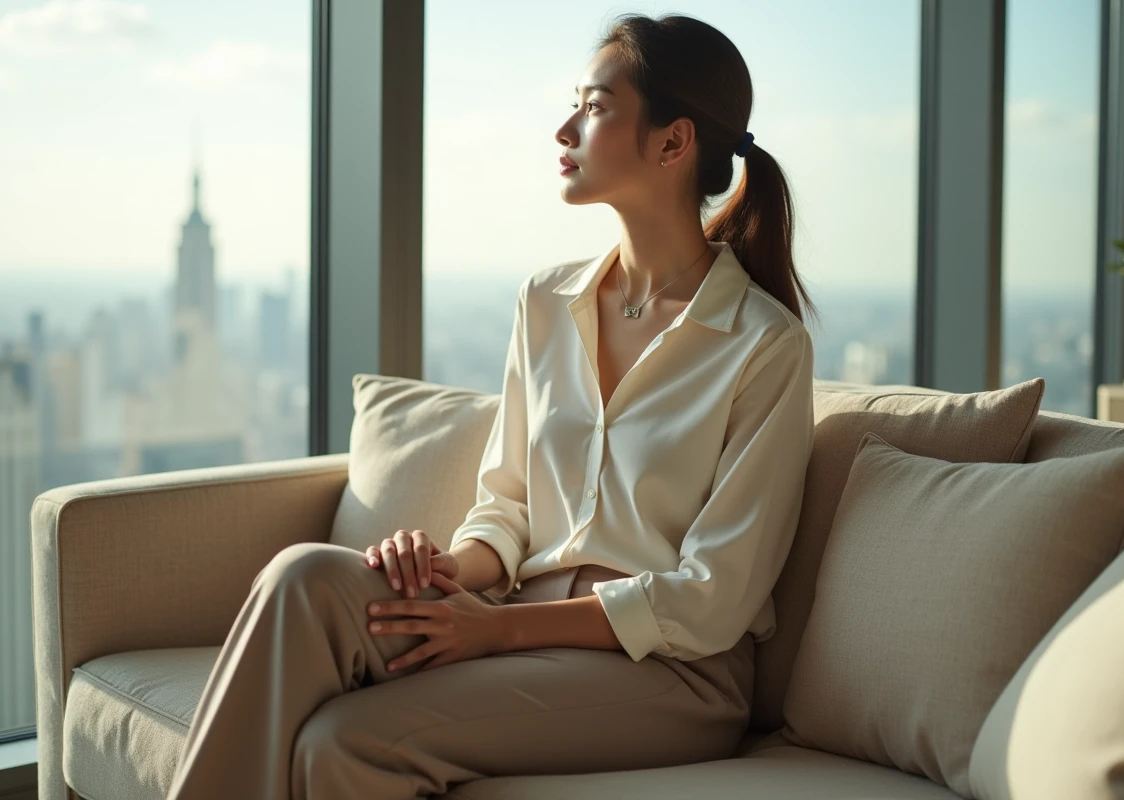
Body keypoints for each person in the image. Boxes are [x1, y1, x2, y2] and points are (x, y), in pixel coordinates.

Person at [166, 12, 817, 800]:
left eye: (596, 106)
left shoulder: (764, 345)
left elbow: (711, 597)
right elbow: (506, 503)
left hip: (671, 675)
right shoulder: (546, 301)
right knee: (303, 579)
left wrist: (496, 628)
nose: (564, 128)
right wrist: (447, 569)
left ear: (673, 142)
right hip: (513, 610)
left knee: (345, 743)